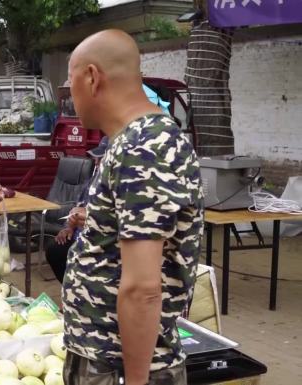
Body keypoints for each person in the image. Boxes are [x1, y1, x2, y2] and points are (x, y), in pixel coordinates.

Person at [61, 30, 204, 385]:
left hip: (120, 368)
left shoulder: (145, 148)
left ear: (92, 77)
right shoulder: (131, 141)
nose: (70, 97)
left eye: (70, 82)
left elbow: (143, 288)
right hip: (107, 360)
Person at [45, 137, 107, 283]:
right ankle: (68, 286)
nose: (96, 163)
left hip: (100, 240)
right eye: (95, 158)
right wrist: (69, 227)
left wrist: (91, 217)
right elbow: (78, 205)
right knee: (55, 250)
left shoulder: (122, 186)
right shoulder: (92, 181)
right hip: (79, 234)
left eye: (101, 158)